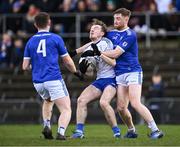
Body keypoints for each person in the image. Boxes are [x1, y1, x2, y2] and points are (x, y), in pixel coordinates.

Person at [93, 8, 164, 139]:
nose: (115, 20)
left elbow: (115, 54)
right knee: (121, 107)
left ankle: (155, 130)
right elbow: (97, 38)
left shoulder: (130, 34)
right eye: (114, 18)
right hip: (119, 73)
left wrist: (97, 52)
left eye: (118, 18)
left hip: (133, 71)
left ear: (126, 19)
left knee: (135, 103)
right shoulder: (111, 33)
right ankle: (131, 130)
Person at [22, 12, 82, 140]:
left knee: (48, 101)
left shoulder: (30, 41)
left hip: (38, 82)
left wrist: (36, 66)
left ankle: (47, 125)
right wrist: (75, 71)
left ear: (35, 25)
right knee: (66, 109)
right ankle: (60, 133)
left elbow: (25, 66)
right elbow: (67, 60)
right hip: (53, 79)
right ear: (49, 23)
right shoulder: (56, 38)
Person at [70, 19, 121, 138]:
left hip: (111, 79)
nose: (92, 29)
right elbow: (90, 75)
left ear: (102, 33)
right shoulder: (90, 47)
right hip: (99, 80)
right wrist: (84, 71)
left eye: (96, 28)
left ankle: (116, 132)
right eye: (91, 28)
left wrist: (99, 54)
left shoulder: (106, 42)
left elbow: (113, 63)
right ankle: (79, 132)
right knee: (81, 100)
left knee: (103, 102)